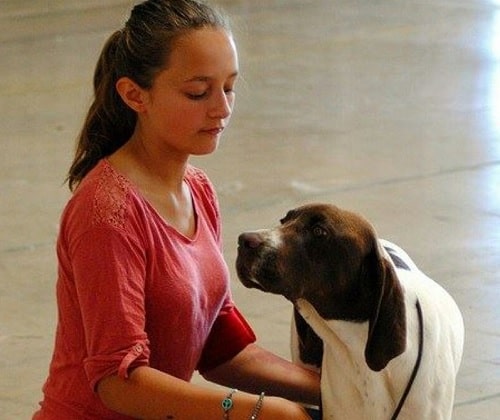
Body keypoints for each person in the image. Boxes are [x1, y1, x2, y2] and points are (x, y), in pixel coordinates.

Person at [33, 0, 321, 419]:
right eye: (198, 92)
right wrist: (260, 412)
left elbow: (217, 342)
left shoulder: (197, 189)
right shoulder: (105, 211)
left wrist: (329, 387)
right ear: (135, 95)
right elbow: (119, 380)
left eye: (229, 87)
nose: (221, 109)